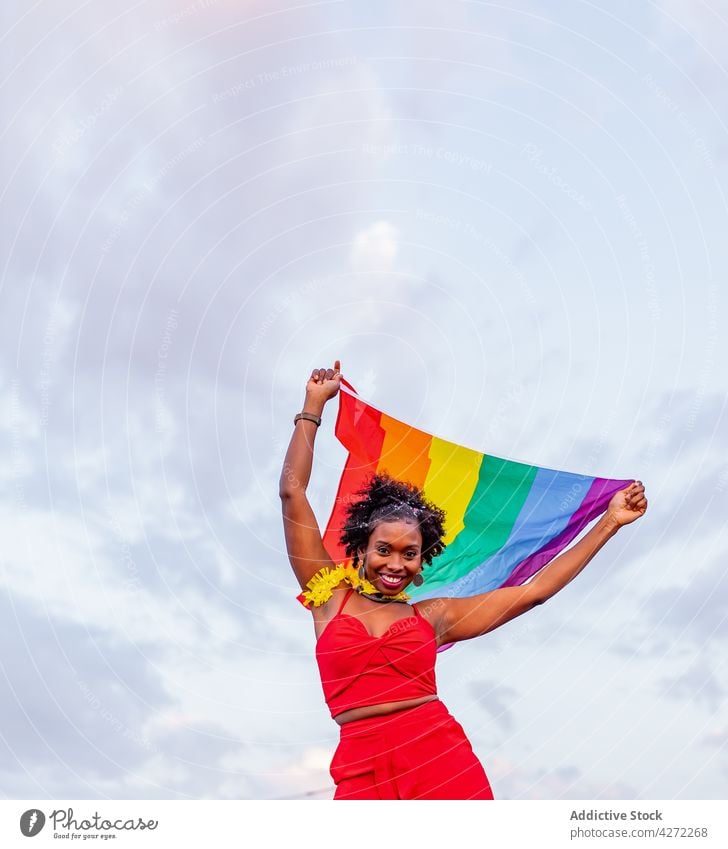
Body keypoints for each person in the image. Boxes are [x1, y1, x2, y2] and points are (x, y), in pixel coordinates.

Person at [279, 360, 648, 800]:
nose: (396, 563)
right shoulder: (327, 594)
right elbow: (292, 491)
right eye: (384, 550)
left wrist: (609, 522)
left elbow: (535, 592)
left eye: (409, 554)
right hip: (360, 767)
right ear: (360, 549)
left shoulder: (433, 616)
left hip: (440, 759)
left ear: (422, 560)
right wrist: (313, 405)